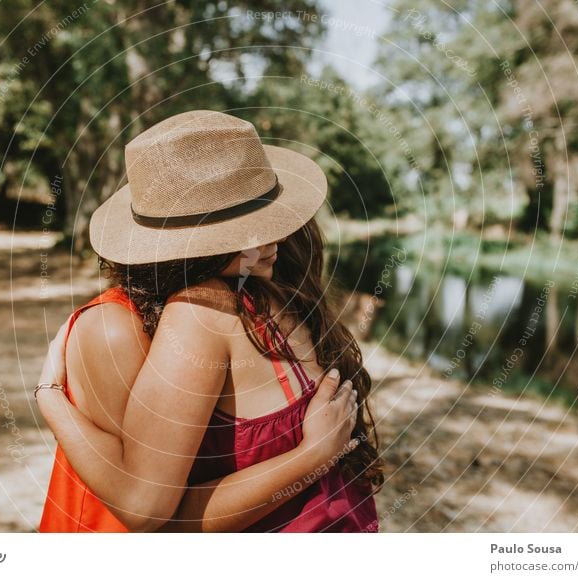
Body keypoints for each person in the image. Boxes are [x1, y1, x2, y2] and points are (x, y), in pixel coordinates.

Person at [35, 110, 383, 532]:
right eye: (238, 228)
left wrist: (49, 396)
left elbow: (150, 513)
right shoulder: (136, 322)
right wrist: (312, 457)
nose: (270, 239)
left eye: (263, 217)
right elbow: (144, 512)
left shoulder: (249, 289)